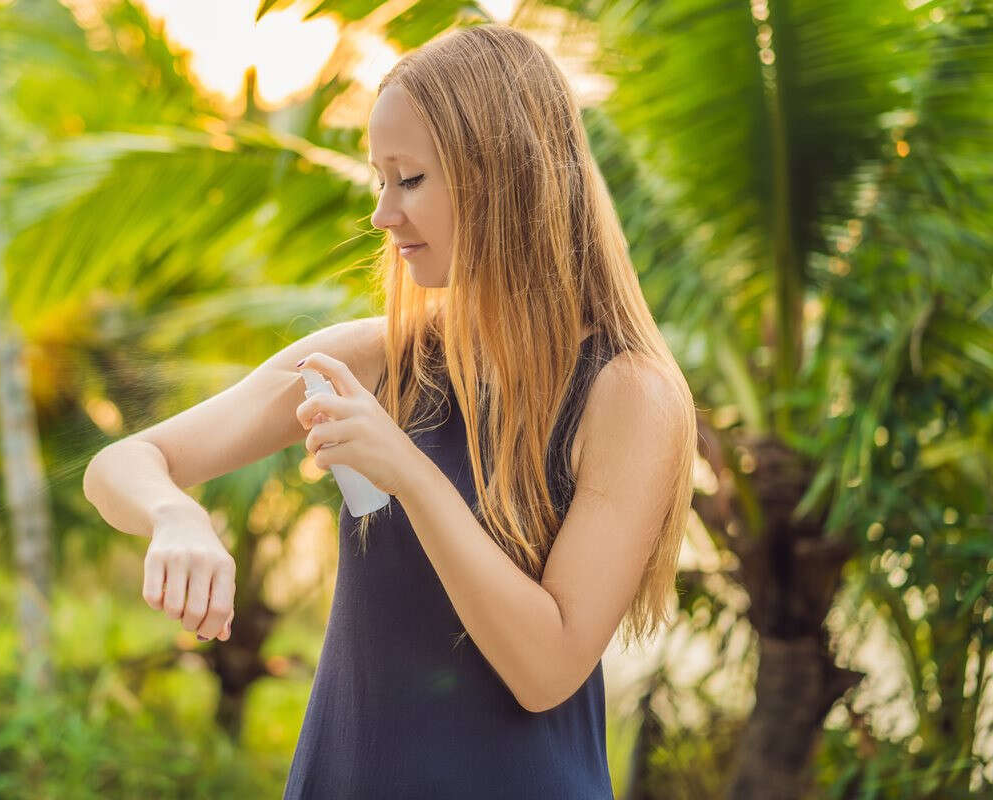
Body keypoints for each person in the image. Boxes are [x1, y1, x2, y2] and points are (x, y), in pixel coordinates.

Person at [84, 22, 696, 800]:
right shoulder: (382, 359)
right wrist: (175, 516)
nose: (381, 213)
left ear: (500, 177)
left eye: (409, 180)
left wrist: (406, 469)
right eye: (380, 177)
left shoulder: (628, 396)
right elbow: (122, 464)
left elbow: (547, 670)